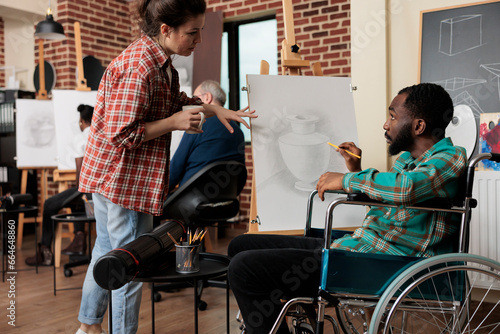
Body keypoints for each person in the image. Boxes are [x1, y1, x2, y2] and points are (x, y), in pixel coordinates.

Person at [227, 83, 467, 334]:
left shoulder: (451, 158)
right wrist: (356, 169)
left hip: (388, 265)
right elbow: (389, 199)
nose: (386, 124)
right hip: (361, 249)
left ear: (418, 126)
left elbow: (405, 189)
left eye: (393, 116)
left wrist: (345, 180)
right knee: (240, 246)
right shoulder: (408, 160)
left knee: (245, 269)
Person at [75, 1, 256, 333]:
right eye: (193, 32)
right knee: (130, 266)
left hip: (111, 179)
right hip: (123, 184)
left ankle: (88, 327)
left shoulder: (161, 64)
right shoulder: (140, 66)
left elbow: (174, 101)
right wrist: (174, 122)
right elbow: (122, 134)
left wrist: (217, 110)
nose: (199, 39)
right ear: (165, 30)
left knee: (106, 251)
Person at [25, 104, 94, 266]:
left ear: (81, 122)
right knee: (76, 201)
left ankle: (45, 252)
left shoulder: (81, 137)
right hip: (100, 193)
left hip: (88, 190)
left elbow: (80, 173)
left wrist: (80, 190)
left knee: (50, 203)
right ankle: (79, 240)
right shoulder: (100, 135)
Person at [168, 79, 245, 192]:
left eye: (195, 97)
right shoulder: (238, 132)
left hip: (189, 200)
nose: (191, 103)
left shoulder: (199, 124)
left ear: (207, 98)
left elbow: (176, 168)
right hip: (225, 201)